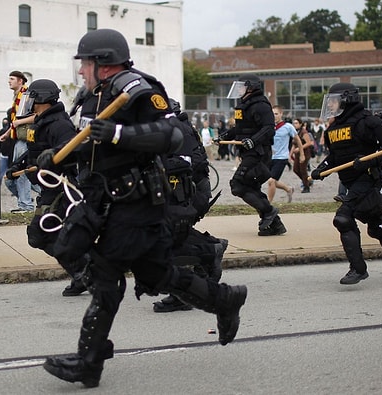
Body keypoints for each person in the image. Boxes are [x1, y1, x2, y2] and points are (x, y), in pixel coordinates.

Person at [39, 28, 247, 388]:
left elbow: (171, 136)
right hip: (106, 200)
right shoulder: (94, 96)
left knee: (105, 275)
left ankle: (89, 361)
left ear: (102, 63)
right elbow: (88, 143)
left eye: (85, 64)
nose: (80, 71)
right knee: (157, 275)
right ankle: (224, 300)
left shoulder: (137, 90)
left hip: (137, 203)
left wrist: (120, 134)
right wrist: (58, 157)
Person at [311, 83, 382, 285]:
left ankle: (358, 269)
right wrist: (321, 169)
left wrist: (368, 160)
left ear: (346, 99)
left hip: (368, 179)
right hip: (351, 182)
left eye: (334, 100)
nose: (332, 105)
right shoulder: (334, 127)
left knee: (342, 218)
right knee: (377, 226)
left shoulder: (369, 122)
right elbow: (334, 156)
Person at [6, 78, 88, 297]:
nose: (29, 101)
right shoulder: (42, 121)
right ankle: (83, 272)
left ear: (41, 98)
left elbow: (69, 152)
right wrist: (19, 165)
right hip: (48, 189)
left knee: (40, 234)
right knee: (50, 234)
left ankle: (86, 271)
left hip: (60, 189)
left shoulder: (59, 124)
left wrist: (47, 162)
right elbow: (36, 150)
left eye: (32, 97)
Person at [151, 99, 228, 313]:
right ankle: (210, 252)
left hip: (190, 191)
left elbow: (186, 165)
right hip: (182, 190)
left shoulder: (178, 130)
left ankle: (206, 259)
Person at [218, 73, 285, 236]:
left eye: (241, 86)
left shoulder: (261, 105)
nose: (239, 89)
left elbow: (269, 128)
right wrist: (225, 136)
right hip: (248, 152)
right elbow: (240, 129)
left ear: (250, 87)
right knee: (250, 187)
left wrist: (253, 141)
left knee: (238, 185)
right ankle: (274, 223)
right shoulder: (244, 105)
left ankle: (269, 213)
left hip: (258, 153)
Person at [0, 70, 36, 213]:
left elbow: (34, 116)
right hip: (19, 139)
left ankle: (26, 205)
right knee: (17, 174)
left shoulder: (26, 95)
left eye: (12, 79)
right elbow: (16, 121)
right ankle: (29, 201)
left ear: (20, 81)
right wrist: (8, 133)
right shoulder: (18, 96)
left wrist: (15, 125)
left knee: (21, 172)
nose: (9, 81)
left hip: (26, 139)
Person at [267, 105, 302, 203]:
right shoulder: (269, 127)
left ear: (281, 114)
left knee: (271, 181)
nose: (274, 116)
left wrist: (302, 153)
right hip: (270, 157)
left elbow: (297, 140)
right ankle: (288, 189)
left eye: (276, 114)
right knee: (272, 180)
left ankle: (268, 203)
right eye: (272, 114)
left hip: (282, 158)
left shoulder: (288, 127)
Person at [291, 118, 314, 193]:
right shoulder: (295, 132)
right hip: (297, 154)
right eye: (294, 123)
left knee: (303, 170)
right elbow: (294, 144)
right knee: (295, 169)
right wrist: (290, 154)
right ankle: (308, 180)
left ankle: (306, 187)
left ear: (300, 124)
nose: (295, 125)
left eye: (297, 123)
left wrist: (300, 148)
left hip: (305, 153)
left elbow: (309, 143)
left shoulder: (303, 132)